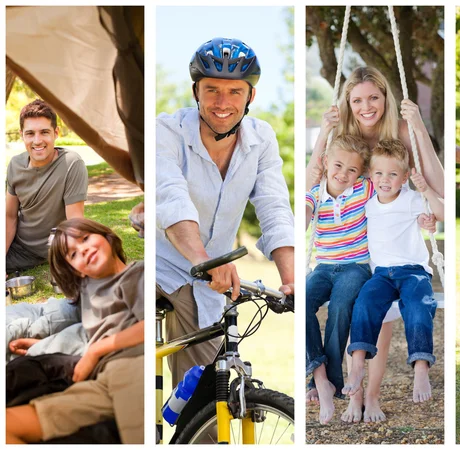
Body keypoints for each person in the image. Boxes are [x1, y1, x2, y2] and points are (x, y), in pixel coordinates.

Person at [156, 37, 294, 387]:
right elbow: (171, 198)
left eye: (234, 92)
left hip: (211, 280)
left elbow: (274, 207)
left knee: (207, 399)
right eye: (212, 90)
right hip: (162, 267)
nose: (222, 103)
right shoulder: (166, 131)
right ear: (195, 92)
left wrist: (291, 280)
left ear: (251, 96)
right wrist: (206, 260)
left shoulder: (262, 139)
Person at [6, 218, 144, 444]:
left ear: (106, 235)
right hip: (98, 376)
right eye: (73, 255)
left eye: (86, 238)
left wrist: (95, 351)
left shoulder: (135, 276)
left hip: (129, 366)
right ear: (76, 271)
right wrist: (41, 344)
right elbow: (84, 328)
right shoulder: (87, 283)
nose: (84, 249)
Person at [343, 140, 443, 413]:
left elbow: (442, 213)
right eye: (378, 174)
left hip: (413, 272)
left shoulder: (412, 199)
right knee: (363, 304)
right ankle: (358, 364)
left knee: (419, 306)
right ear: (369, 175)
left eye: (392, 174)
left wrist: (427, 193)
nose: (384, 180)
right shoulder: (368, 203)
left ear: (405, 177)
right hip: (381, 275)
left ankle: (421, 366)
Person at [305, 135, 374, 425]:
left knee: (341, 307)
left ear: (360, 174)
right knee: (301, 301)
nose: (343, 174)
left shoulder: (364, 189)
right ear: (324, 162)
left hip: (356, 266)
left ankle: (329, 380)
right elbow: (304, 214)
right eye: (338, 165)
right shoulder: (315, 193)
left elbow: (390, 180)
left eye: (352, 170)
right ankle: (320, 378)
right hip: (323, 266)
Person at [306, 66, 444, 198]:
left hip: (393, 219)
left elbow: (442, 192)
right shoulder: (337, 134)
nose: (366, 107)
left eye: (373, 98)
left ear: (385, 98)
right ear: (349, 104)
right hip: (349, 221)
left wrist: (419, 129)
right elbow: (306, 192)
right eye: (357, 101)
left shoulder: (402, 131)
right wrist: (323, 134)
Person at [6, 99, 87, 273]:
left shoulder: (71, 163)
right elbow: (9, 217)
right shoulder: (15, 164)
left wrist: (75, 261)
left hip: (48, 250)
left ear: (56, 132)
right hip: (16, 245)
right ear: (22, 135)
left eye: (44, 132)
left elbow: (75, 220)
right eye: (30, 133)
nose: (37, 141)